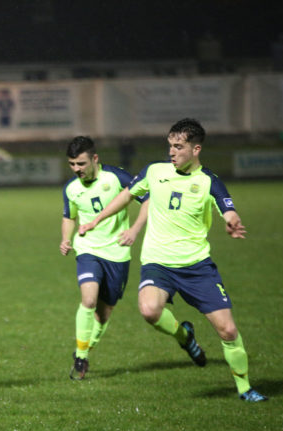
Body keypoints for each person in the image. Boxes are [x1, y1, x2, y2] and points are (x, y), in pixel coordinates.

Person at [79, 118, 267, 402]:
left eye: (178, 147)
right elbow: (128, 195)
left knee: (227, 330)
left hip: (197, 267)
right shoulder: (154, 172)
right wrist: (96, 219)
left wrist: (232, 220)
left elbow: (228, 209)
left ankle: (245, 388)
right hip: (158, 262)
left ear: (196, 149)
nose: (172, 152)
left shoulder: (209, 182)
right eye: (170, 146)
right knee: (149, 310)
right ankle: (185, 337)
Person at [60, 136, 149, 380]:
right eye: (72, 164)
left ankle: (84, 351)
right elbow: (69, 216)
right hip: (87, 249)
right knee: (88, 300)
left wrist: (134, 230)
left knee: (103, 314)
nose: (76, 169)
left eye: (81, 163)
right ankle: (80, 357)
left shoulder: (117, 177)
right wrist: (66, 238)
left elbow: (148, 199)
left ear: (95, 159)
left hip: (117, 253)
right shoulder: (71, 188)